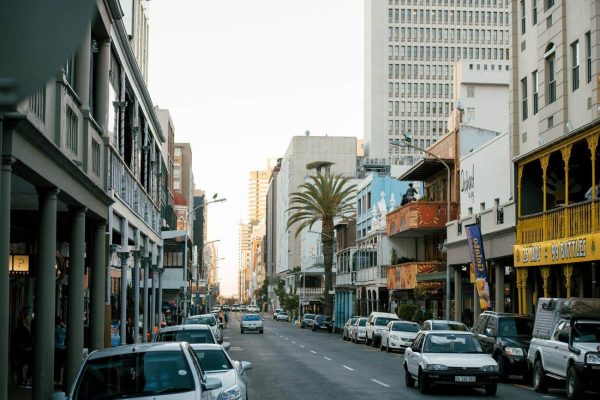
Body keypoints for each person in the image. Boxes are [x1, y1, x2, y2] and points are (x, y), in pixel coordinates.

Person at [14, 306, 33, 388]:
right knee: (26, 364)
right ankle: (24, 380)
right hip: (24, 349)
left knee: (23, 365)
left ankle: (24, 380)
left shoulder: (25, 327)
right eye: (28, 317)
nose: (29, 319)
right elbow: (22, 339)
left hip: (25, 349)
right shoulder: (23, 328)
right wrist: (26, 347)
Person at [54, 316, 67, 385]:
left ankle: (56, 380)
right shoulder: (62, 330)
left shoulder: (54, 329)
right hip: (61, 349)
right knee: (60, 365)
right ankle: (59, 381)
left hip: (55, 348)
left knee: (56, 366)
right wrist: (63, 325)